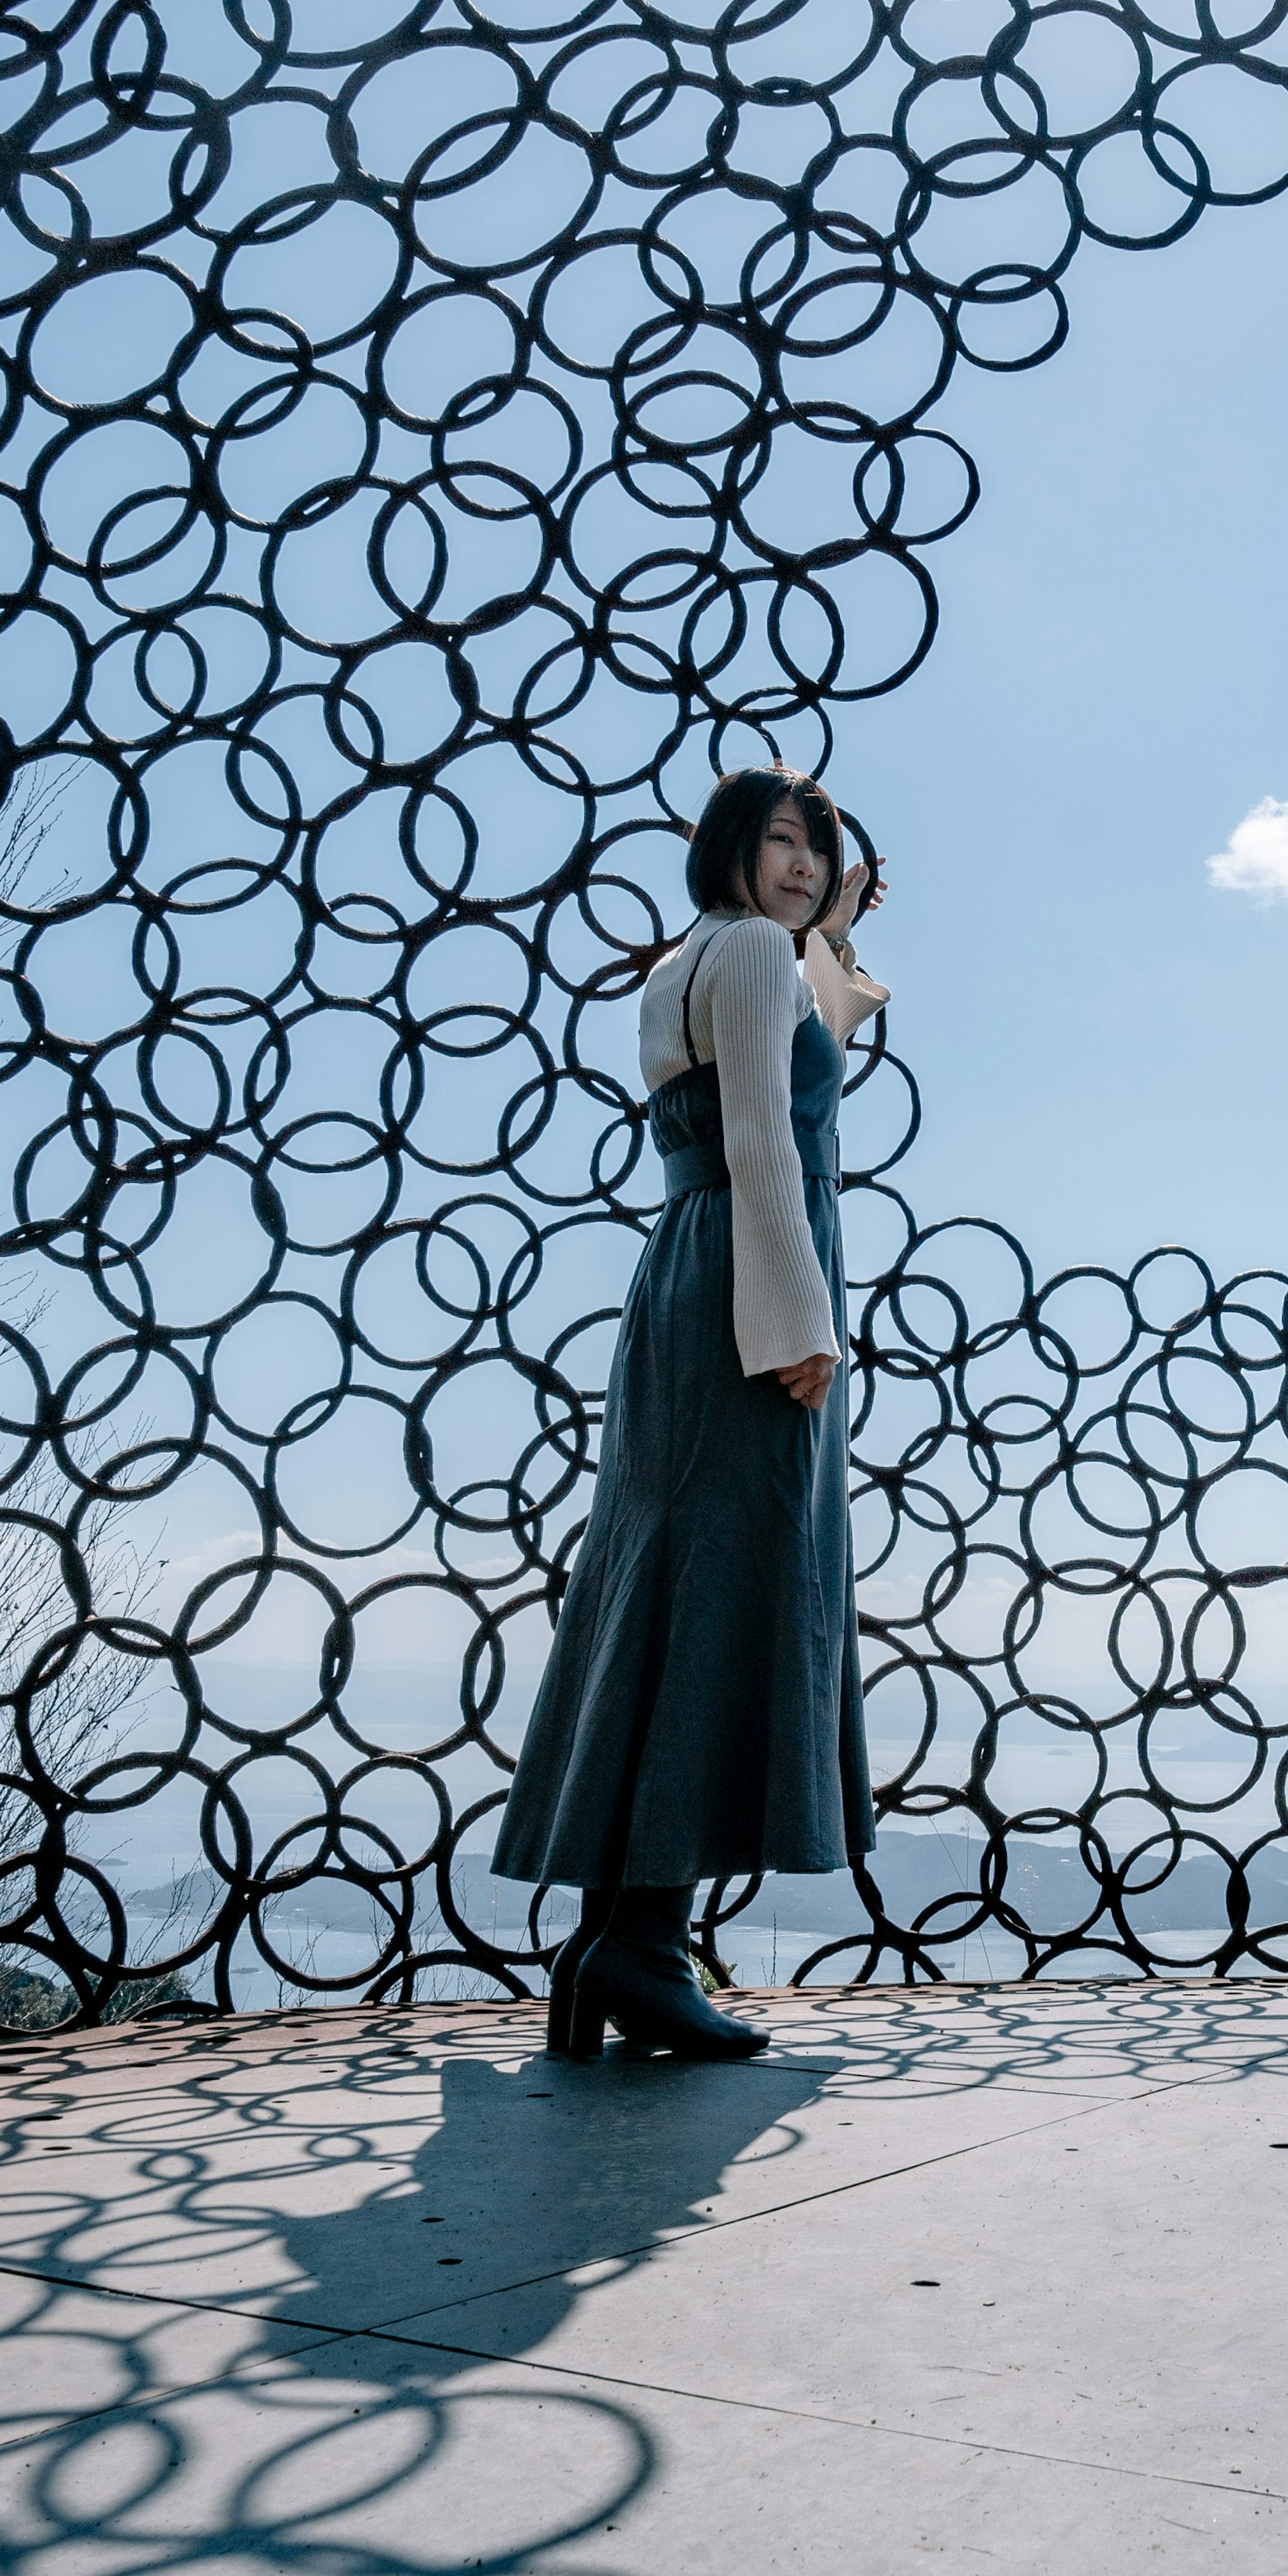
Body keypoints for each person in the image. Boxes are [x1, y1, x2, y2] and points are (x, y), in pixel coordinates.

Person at [495, 766, 887, 2056]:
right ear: (728, 847)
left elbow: (773, 1064)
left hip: (688, 1269)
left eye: (814, 846)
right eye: (780, 841)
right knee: (725, 1586)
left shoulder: (701, 961)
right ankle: (641, 1946)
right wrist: (801, 1325)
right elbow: (768, 1137)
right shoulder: (757, 963)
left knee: (668, 1582)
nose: (800, 862)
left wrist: (830, 939)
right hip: (753, 1281)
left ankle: (618, 1941)